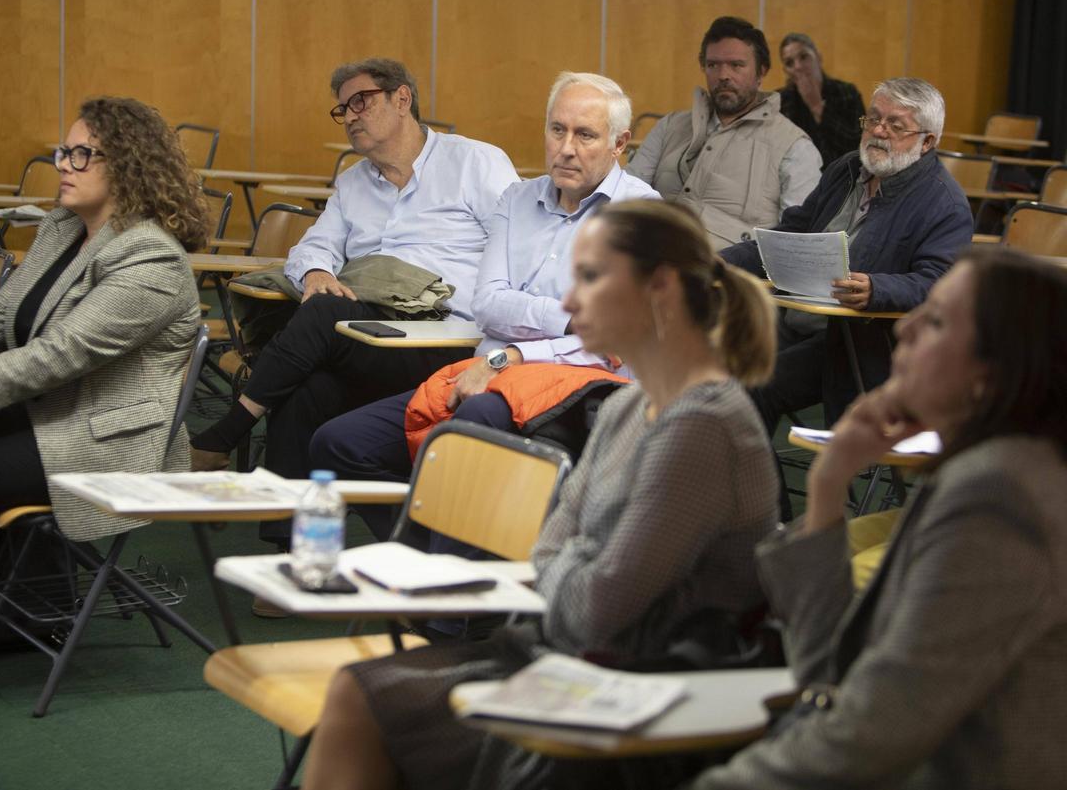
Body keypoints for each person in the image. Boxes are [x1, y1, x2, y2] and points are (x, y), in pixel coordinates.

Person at [299, 200, 781, 790]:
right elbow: (557, 556)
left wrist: (566, 560)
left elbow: (595, 610)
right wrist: (573, 560)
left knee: (371, 700)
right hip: (571, 658)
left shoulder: (702, 422)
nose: (569, 302)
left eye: (591, 278)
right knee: (360, 691)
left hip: (643, 692)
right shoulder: (631, 404)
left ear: (658, 289)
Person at [0, 96, 207, 718]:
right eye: (63, 151)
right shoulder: (62, 229)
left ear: (128, 165)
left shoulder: (153, 259)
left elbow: (59, 355)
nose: (64, 165)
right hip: (40, 412)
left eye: (82, 154)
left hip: (101, 441)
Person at [692, 247, 1067, 789]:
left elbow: (868, 738)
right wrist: (828, 486)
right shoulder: (992, 470)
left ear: (994, 372)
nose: (905, 329)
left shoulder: (1001, 496)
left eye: (935, 321)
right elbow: (832, 682)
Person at [309, 71, 660, 541]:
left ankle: (447, 606)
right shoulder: (518, 199)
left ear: (620, 143)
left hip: (587, 390)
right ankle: (428, 562)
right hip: (490, 374)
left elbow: (610, 344)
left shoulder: (643, 214)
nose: (566, 148)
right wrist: (568, 317)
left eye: (586, 135)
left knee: (472, 425)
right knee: (338, 443)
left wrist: (512, 354)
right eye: (557, 130)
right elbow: (489, 304)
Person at [189, 58, 519, 482]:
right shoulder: (353, 183)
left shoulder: (475, 163)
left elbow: (521, 246)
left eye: (360, 102)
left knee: (324, 314)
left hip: (449, 336)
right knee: (304, 389)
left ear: (402, 99)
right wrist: (315, 274)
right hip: (374, 336)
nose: (349, 117)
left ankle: (222, 436)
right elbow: (312, 248)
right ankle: (290, 539)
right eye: (343, 109)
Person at [722, 77, 974, 442]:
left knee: (751, 386)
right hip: (797, 318)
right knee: (704, 368)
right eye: (873, 118)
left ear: (927, 142)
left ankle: (763, 501)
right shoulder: (846, 170)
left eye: (895, 125)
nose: (878, 131)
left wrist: (878, 289)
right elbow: (791, 234)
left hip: (861, 344)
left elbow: (941, 284)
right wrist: (717, 262)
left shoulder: (944, 204)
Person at [627, 16, 821, 249]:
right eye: (713, 65)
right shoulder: (670, 126)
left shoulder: (795, 147)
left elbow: (795, 244)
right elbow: (625, 198)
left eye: (736, 65)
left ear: (761, 71)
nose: (723, 75)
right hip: (645, 261)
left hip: (725, 276)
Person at [777, 32, 865, 168]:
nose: (798, 66)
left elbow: (857, 146)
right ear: (786, 70)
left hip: (843, 178)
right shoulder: (781, 101)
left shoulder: (847, 93)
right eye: (790, 63)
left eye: (804, 57)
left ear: (818, 57)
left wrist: (817, 106)